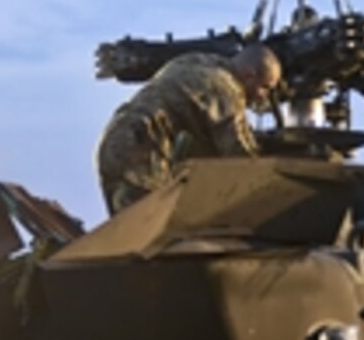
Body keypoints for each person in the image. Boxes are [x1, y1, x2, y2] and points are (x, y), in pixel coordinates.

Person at [96, 43, 282, 214]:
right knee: (151, 227)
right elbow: (240, 156)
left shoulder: (196, 62)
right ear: (249, 74)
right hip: (142, 148)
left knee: (125, 232)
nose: (264, 97)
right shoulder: (226, 88)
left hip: (115, 138)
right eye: (265, 87)